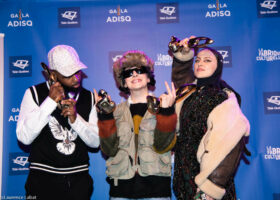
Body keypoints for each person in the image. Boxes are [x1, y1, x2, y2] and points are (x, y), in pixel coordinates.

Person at [170, 37, 250, 200]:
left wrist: (211, 190)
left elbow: (229, 146)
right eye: (197, 60)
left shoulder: (223, 98)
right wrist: (184, 55)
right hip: (185, 184)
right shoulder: (190, 95)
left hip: (207, 191)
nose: (200, 63)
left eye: (207, 60)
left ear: (218, 67)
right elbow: (182, 80)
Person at [16, 45, 99, 200]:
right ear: (52, 74)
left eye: (78, 71)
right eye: (69, 74)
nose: (76, 77)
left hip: (78, 181)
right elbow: (24, 137)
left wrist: (76, 120)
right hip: (41, 180)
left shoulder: (90, 98)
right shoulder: (34, 93)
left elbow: (96, 142)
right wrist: (50, 102)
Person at [94, 50, 177, 199]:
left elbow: (164, 146)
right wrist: (104, 116)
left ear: (148, 77)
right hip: (121, 191)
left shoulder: (164, 107)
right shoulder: (114, 112)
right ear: (123, 81)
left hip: (156, 190)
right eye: (128, 73)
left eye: (140, 70)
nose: (134, 75)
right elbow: (109, 150)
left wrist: (167, 111)